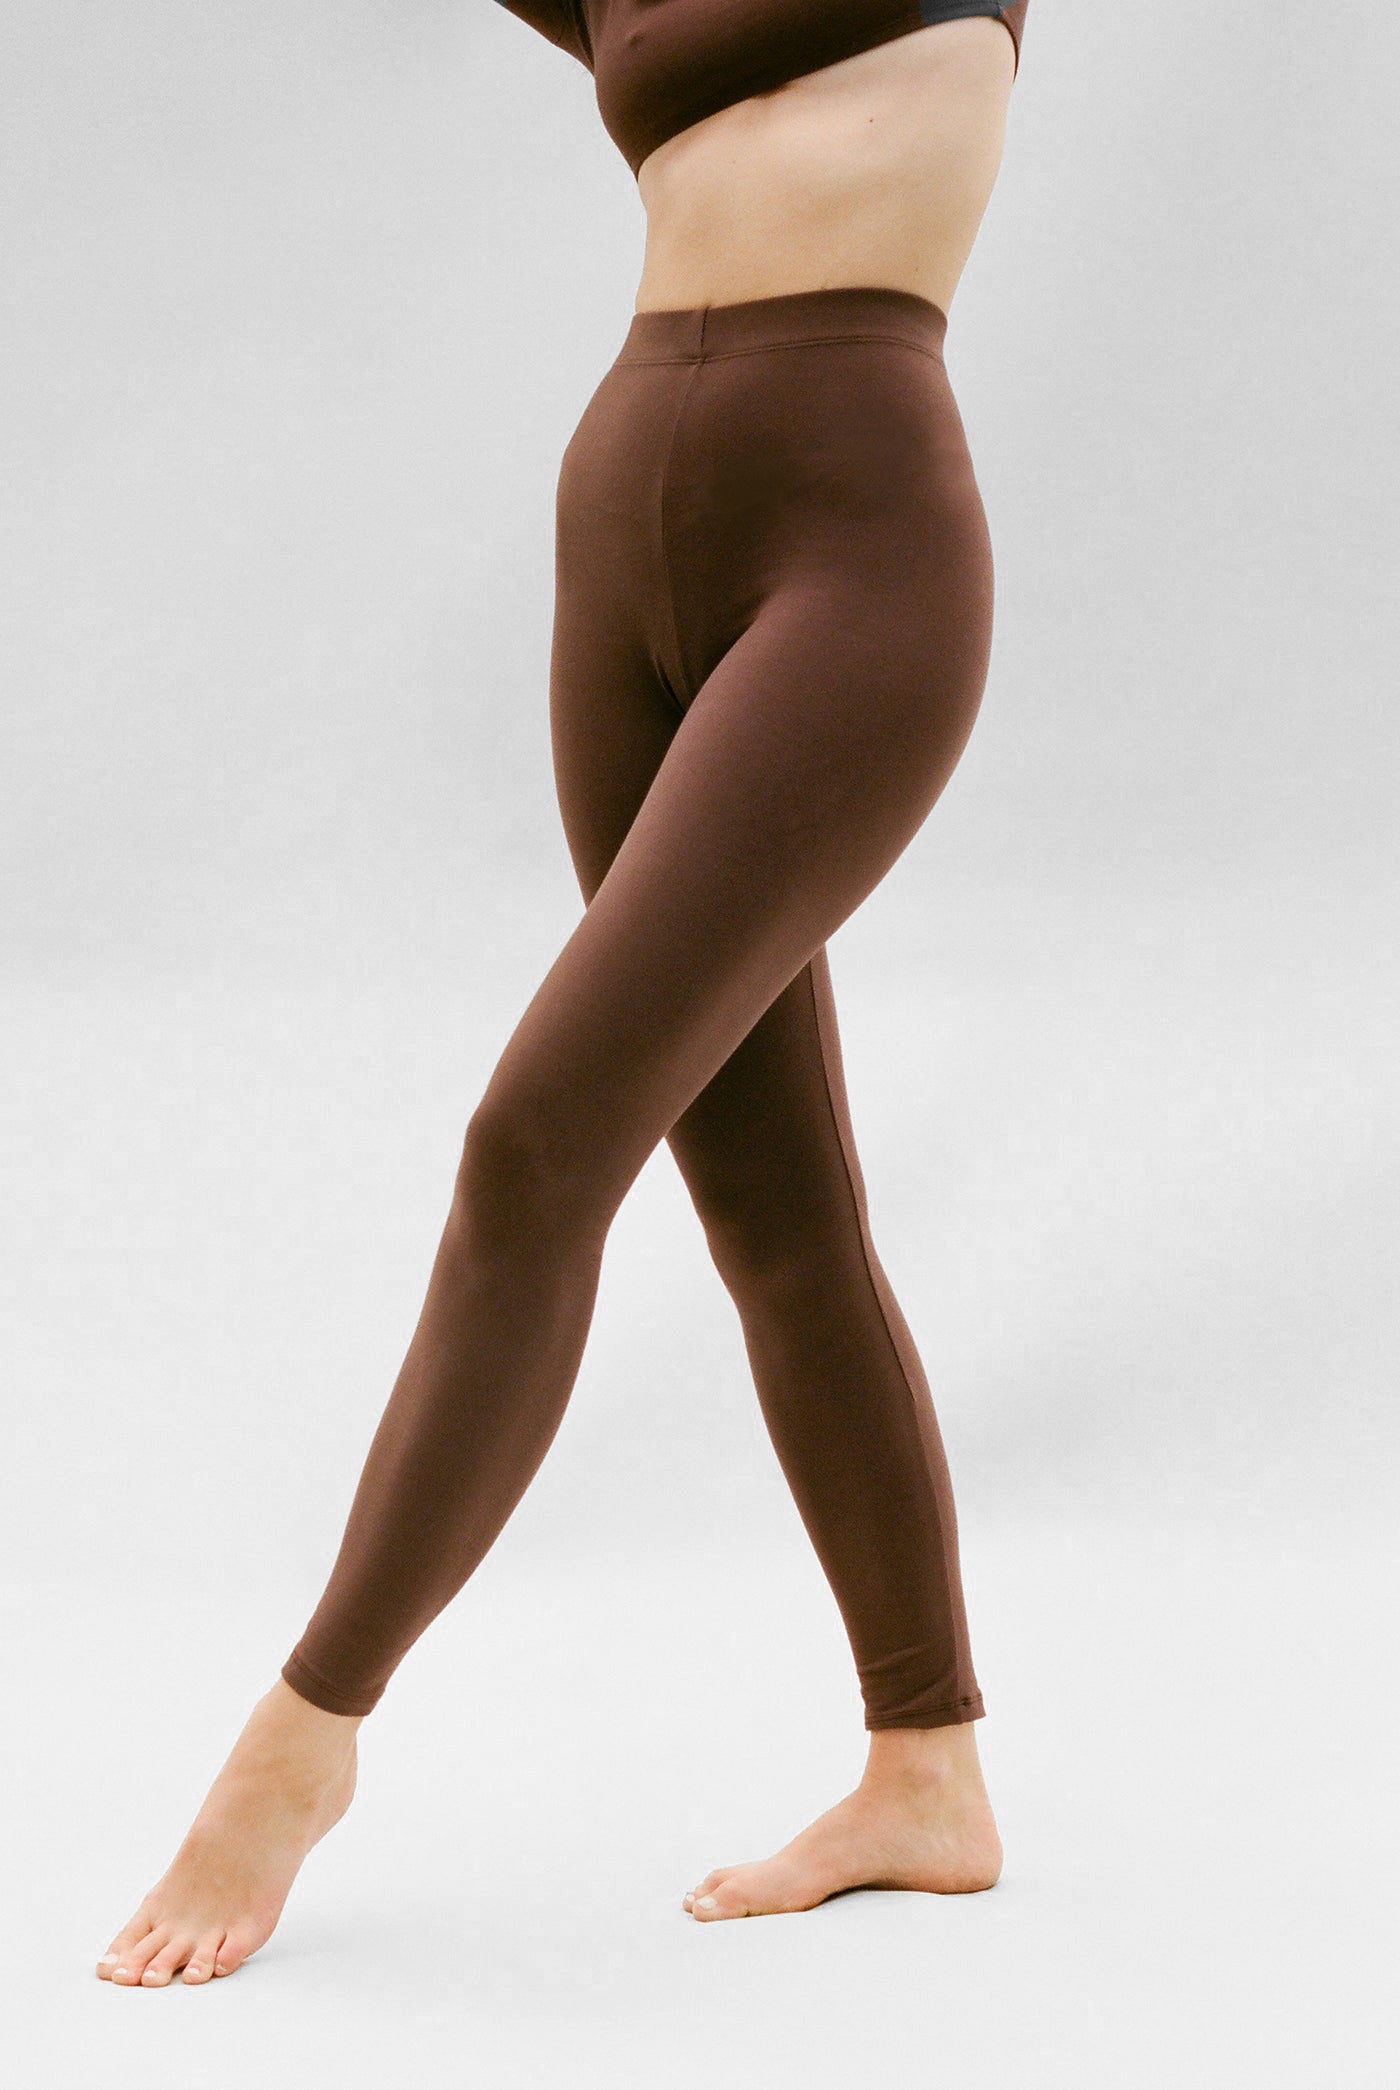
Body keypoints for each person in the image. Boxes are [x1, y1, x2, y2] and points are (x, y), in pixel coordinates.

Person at [97, 0, 1028, 1986]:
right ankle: (927, 1768)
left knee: (535, 1144)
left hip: (854, 551)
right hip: (621, 532)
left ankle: (304, 1733)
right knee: (774, 1204)